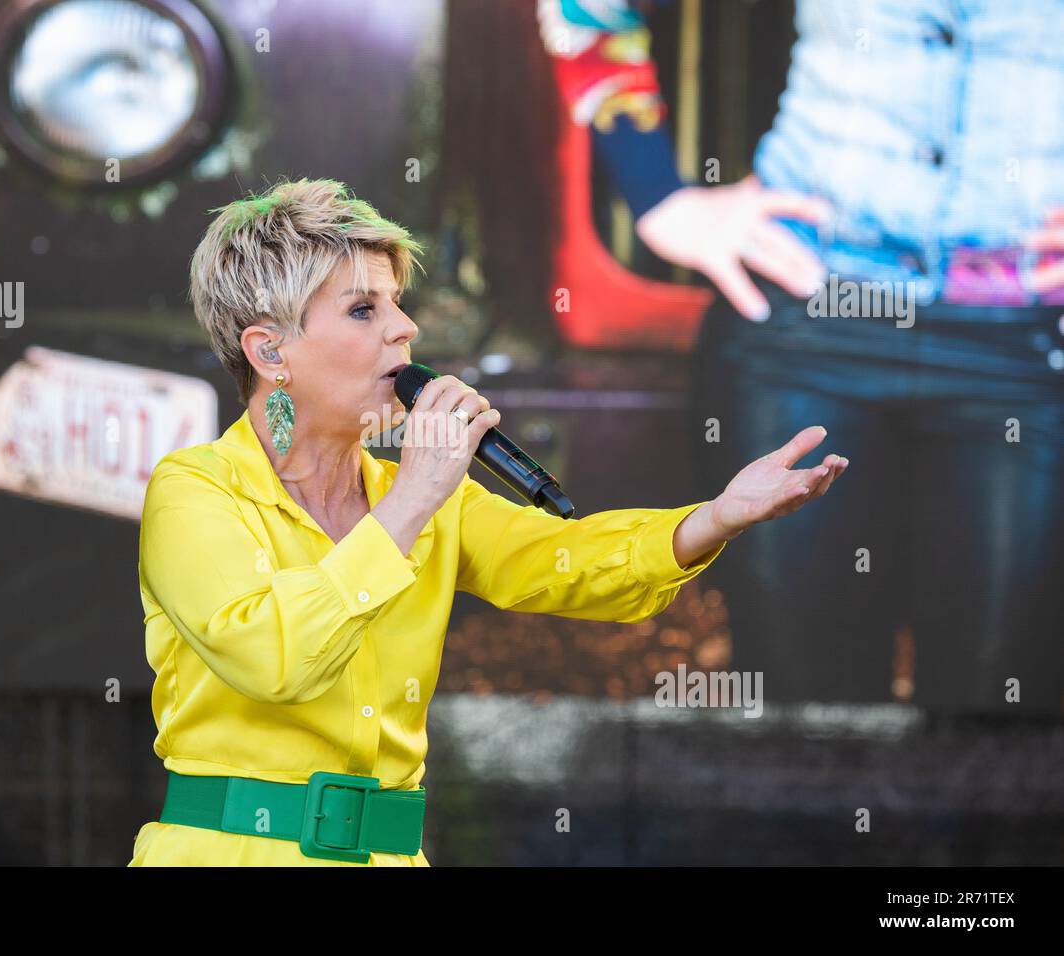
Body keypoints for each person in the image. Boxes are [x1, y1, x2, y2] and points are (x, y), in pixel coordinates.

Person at [127, 178, 847, 866]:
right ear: (269, 350)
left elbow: (567, 564)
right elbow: (270, 660)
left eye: (397, 303)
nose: (405, 328)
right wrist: (413, 499)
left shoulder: (425, 499)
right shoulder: (195, 492)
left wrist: (715, 518)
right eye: (362, 310)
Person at [546, 0, 1064, 713]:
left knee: (1003, 728)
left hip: (1028, 337)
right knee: (809, 721)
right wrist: (660, 198)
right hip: (801, 313)